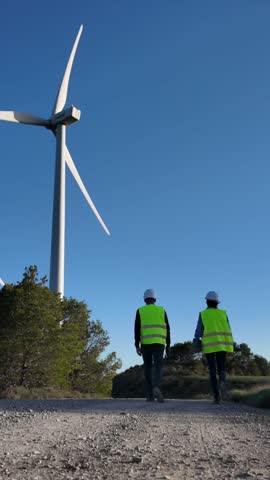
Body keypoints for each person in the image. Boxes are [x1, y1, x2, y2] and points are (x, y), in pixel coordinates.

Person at [193, 291, 234, 404]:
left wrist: (196, 342)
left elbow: (199, 331)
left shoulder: (203, 314)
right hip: (222, 344)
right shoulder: (223, 313)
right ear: (217, 303)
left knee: (212, 370)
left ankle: (216, 397)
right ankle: (222, 381)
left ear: (207, 301)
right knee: (221, 368)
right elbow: (228, 329)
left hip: (209, 345)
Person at [134, 289, 171, 402]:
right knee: (158, 367)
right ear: (155, 299)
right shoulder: (161, 310)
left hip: (146, 343)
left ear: (145, 299)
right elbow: (168, 328)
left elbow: (137, 329)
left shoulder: (140, 310)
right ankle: (156, 386)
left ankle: (150, 395)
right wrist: (168, 344)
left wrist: (137, 344)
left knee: (148, 368)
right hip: (160, 343)